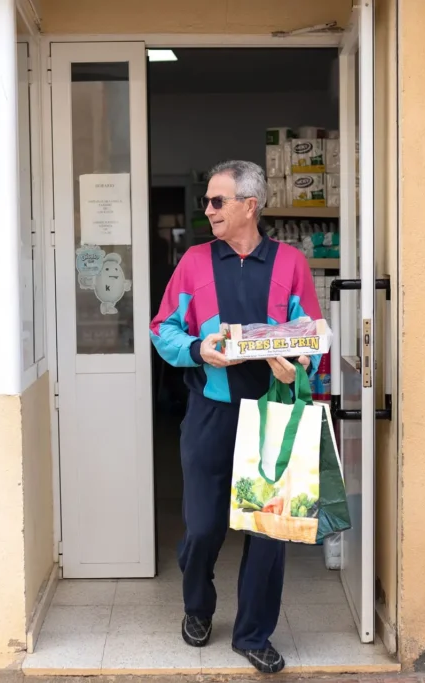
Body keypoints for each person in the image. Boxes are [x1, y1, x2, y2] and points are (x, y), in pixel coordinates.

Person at [149, 160, 322, 674]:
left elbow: (310, 333)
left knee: (269, 531)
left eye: (217, 200)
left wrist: (299, 366)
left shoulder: (291, 262)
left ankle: (253, 635)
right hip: (211, 412)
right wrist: (198, 349)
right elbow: (163, 328)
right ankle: (197, 607)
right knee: (203, 528)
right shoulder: (194, 262)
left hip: (272, 414)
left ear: (250, 205)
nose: (207, 209)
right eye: (207, 200)